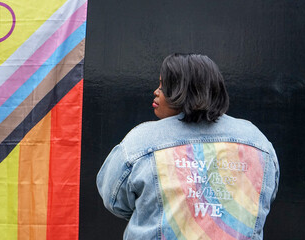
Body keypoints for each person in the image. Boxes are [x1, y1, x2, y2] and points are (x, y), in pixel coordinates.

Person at [96, 53, 279, 240]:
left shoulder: (141, 141)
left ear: (183, 90)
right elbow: (263, 202)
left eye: (164, 86)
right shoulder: (258, 142)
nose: (156, 92)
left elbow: (114, 199)